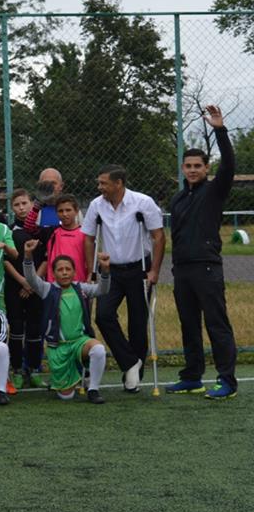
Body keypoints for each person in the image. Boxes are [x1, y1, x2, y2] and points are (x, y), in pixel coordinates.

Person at [168, 105, 238, 399]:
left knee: (216, 324)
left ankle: (227, 381)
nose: (193, 170)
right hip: (182, 270)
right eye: (188, 166)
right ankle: (192, 377)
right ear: (183, 169)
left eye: (198, 165)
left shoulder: (214, 190)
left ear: (206, 168)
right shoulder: (178, 198)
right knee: (189, 325)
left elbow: (229, 165)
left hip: (207, 268)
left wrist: (220, 130)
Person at [82, 165, 164, 393]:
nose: (100, 187)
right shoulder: (96, 205)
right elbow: (88, 238)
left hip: (139, 268)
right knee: (103, 315)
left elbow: (158, 237)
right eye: (99, 183)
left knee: (138, 322)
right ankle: (130, 363)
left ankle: (134, 376)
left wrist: (154, 271)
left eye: (104, 183)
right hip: (111, 271)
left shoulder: (143, 202)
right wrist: (92, 270)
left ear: (118, 183)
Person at [23, 240, 111, 404]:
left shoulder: (81, 288)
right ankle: (65, 380)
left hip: (79, 342)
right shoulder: (47, 289)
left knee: (98, 349)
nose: (64, 273)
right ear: (53, 273)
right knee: (66, 397)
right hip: (59, 347)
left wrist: (105, 270)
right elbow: (31, 278)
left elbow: (102, 290)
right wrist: (28, 255)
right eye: (60, 270)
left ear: (74, 271)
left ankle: (93, 389)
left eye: (68, 269)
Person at [3, 189, 45, 389]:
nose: (21, 208)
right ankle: (17, 369)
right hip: (15, 287)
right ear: (12, 208)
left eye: (24, 203)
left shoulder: (41, 231)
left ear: (31, 204)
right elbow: (6, 261)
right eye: (17, 205)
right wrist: (23, 282)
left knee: (35, 330)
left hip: (36, 288)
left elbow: (46, 259)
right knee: (17, 330)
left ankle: (35, 369)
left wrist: (33, 282)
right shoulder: (8, 231)